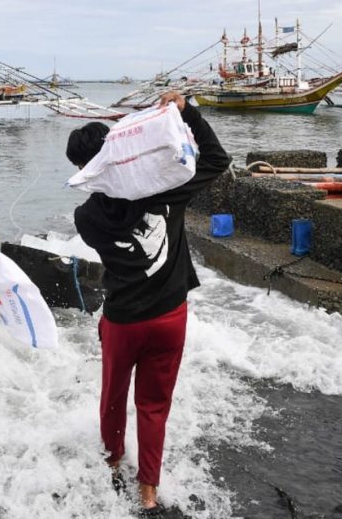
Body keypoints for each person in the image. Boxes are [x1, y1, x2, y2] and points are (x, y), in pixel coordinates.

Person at [66, 92, 230, 516]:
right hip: (169, 316)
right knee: (154, 406)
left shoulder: (86, 218)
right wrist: (185, 112)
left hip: (122, 321)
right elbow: (216, 159)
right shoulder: (168, 189)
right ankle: (149, 492)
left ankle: (113, 461)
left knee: (113, 398)